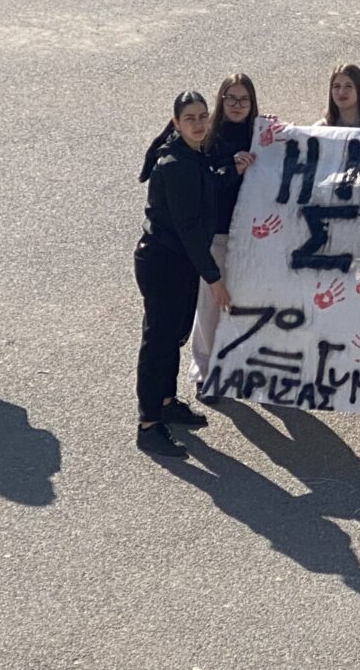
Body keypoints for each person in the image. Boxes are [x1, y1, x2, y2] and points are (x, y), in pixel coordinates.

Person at [135, 92, 233, 458]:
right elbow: (189, 228)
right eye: (190, 118)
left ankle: (165, 402)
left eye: (203, 116)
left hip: (179, 263)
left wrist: (232, 170)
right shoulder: (176, 164)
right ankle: (148, 425)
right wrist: (214, 279)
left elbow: (206, 186)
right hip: (163, 264)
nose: (198, 123)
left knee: (174, 335)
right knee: (159, 342)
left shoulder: (194, 154)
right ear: (176, 122)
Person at [189, 74, 259, 405]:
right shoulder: (209, 138)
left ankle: (241, 368)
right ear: (221, 100)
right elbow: (203, 188)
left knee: (247, 302)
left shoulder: (262, 135)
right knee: (210, 304)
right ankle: (204, 372)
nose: (236, 105)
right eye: (230, 98)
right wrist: (232, 169)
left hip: (252, 235)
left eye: (243, 99)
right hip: (216, 233)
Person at [314, 63, 360, 128]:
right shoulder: (321, 129)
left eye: (348, 86)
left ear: (359, 90)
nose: (341, 92)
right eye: (337, 86)